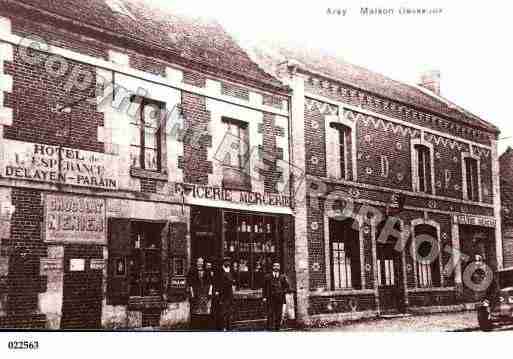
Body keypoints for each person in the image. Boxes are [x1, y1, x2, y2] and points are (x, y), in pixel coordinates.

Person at [187, 257, 213, 330]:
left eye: (202, 262)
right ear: (196, 263)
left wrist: (210, 291)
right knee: (196, 309)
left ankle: (204, 326)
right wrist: (192, 293)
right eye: (199, 262)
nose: (200, 263)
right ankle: (196, 326)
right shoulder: (192, 271)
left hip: (205, 292)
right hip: (196, 292)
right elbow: (190, 283)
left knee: (205, 309)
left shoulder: (206, 271)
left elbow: (210, 282)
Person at [262, 262, 289, 331]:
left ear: (279, 268)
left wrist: (282, 292)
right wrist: (264, 297)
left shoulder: (283, 277)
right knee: (270, 313)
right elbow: (264, 288)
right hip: (270, 298)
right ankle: (269, 327)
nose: (276, 267)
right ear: (273, 267)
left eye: (278, 266)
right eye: (275, 266)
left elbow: (287, 287)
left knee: (278, 313)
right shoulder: (267, 276)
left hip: (280, 298)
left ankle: (277, 328)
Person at [214, 257, 236, 331]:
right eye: (226, 261)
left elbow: (234, 280)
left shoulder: (231, 270)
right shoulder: (219, 270)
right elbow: (217, 281)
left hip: (230, 293)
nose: (228, 263)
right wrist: (217, 291)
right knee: (222, 311)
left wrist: (233, 284)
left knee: (230, 311)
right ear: (223, 262)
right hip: (222, 293)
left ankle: (229, 326)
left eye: (229, 261)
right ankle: (223, 327)